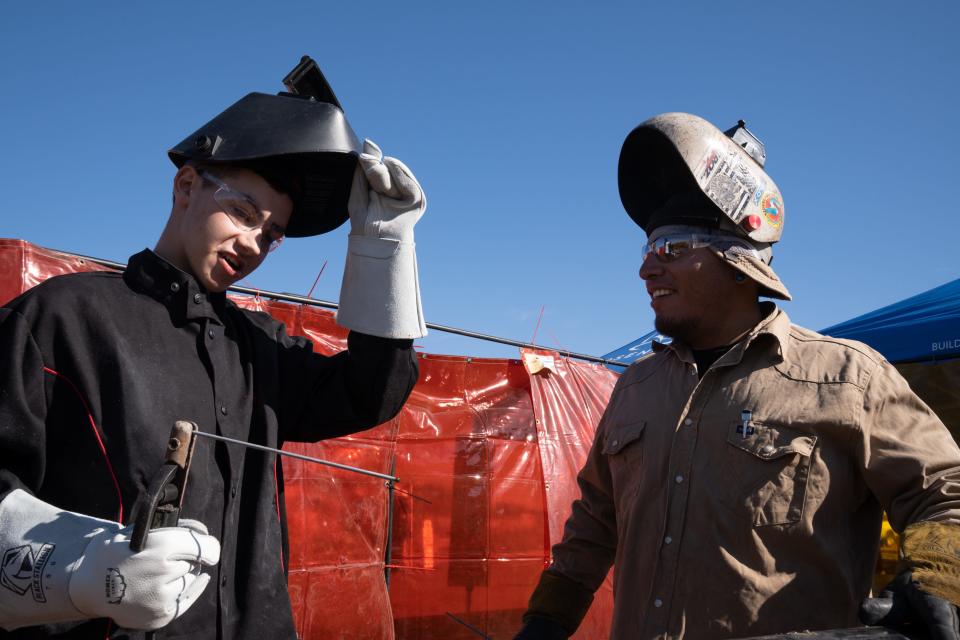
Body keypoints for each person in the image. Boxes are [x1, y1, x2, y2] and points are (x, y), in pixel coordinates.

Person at [0, 57, 425, 638]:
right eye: (245, 213)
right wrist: (80, 571)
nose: (254, 244)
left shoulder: (259, 347)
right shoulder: (61, 318)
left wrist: (383, 250)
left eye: (271, 235)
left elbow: (368, 393)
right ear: (186, 185)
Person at [515, 113, 960, 639]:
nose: (646, 269)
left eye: (671, 249)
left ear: (738, 259)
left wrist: (940, 575)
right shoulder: (635, 388)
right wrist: (545, 620)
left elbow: (944, 487)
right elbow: (594, 523)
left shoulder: (847, 378)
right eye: (646, 250)